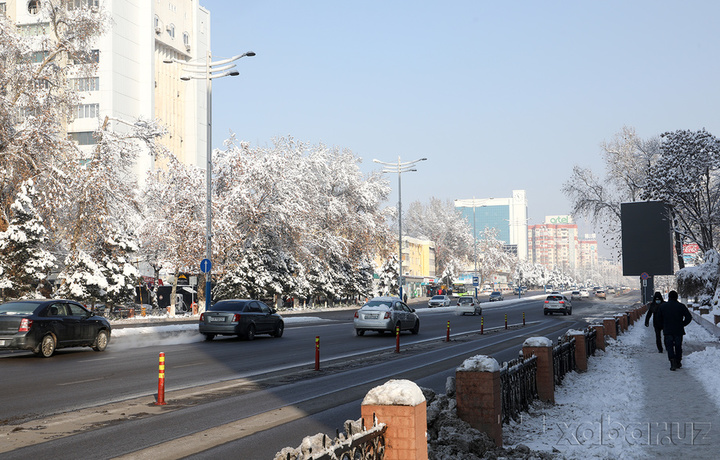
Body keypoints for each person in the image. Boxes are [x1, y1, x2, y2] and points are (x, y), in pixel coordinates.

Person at [654, 290, 692, 371]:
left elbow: (658, 318)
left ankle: (672, 362)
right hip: (678, 330)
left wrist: (663, 326)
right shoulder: (681, 306)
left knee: (669, 346)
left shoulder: (663, 306)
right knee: (678, 346)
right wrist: (683, 324)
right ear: (677, 297)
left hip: (667, 330)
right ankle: (678, 361)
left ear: (669, 297)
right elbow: (689, 317)